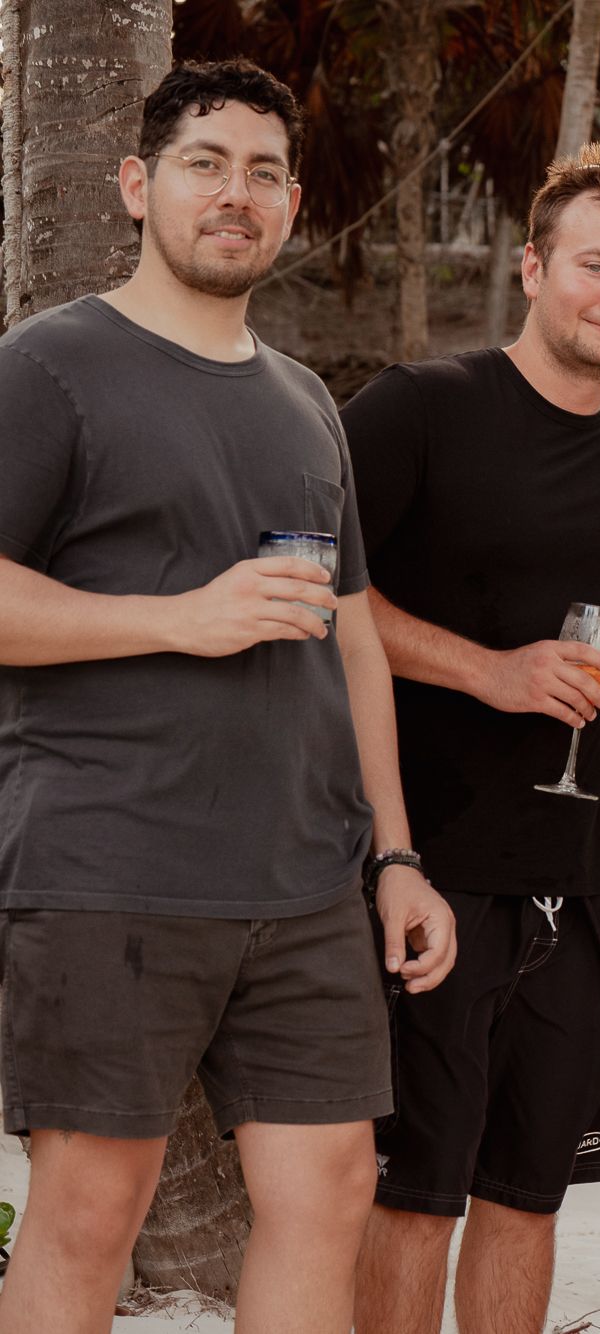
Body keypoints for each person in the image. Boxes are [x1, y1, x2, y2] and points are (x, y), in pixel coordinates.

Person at [0, 59, 457, 1334]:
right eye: (204, 163)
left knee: (329, 1193)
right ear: (137, 185)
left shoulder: (308, 403)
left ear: (293, 204)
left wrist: (396, 857)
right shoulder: (48, 367)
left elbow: (354, 645)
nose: (234, 193)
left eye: (263, 172)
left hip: (304, 886)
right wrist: (178, 618)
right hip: (111, 869)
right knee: (92, 1208)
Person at [339, 148, 600, 1334]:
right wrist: (488, 670)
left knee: (528, 1197)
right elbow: (317, 589)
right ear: (532, 267)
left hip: (583, 881)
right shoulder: (419, 407)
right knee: (414, 1198)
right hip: (428, 869)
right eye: (594, 266)